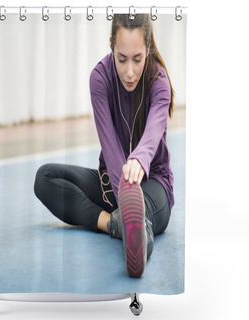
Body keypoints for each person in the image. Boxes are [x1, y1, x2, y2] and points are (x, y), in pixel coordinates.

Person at [34, 14, 174, 278]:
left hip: (155, 186)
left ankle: (135, 227)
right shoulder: (99, 78)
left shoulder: (159, 82)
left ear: (148, 49)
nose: (130, 71)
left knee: (139, 207)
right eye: (122, 59)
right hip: (112, 183)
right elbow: (109, 144)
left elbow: (153, 133)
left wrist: (138, 162)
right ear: (111, 44)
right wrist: (123, 191)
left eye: (137, 59)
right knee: (45, 177)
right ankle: (113, 223)